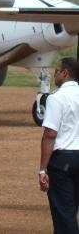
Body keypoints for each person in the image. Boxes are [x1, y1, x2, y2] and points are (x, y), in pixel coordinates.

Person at [39, 57, 79, 233]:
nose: (54, 74)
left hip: (63, 159)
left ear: (65, 73)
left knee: (64, 214)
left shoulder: (56, 98)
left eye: (56, 71)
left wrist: (42, 169)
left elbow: (50, 135)